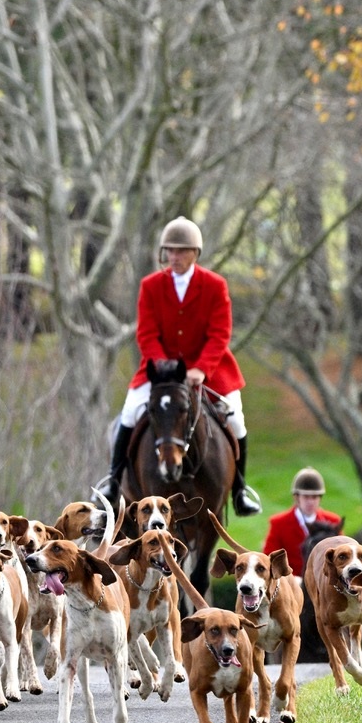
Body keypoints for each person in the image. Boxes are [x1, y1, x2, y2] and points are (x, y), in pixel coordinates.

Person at [97, 216, 261, 516]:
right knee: (130, 414)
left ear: (195, 253)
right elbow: (145, 332)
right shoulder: (151, 286)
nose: (175, 256)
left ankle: (239, 490)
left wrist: (201, 369)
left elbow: (220, 333)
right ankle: (112, 480)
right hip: (160, 372)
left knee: (236, 420)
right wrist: (161, 363)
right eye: (170, 250)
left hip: (209, 370)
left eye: (181, 251)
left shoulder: (214, 285)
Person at [264, 467, 342, 577]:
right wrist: (290, 579)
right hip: (293, 583)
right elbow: (269, 558)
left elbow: (342, 557)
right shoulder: (279, 523)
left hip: (324, 583)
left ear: (320, 498)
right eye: (306, 497)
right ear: (296, 497)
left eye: (314, 497)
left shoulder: (332, 521)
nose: (310, 502)